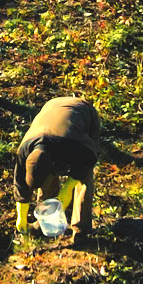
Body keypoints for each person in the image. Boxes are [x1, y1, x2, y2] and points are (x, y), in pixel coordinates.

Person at [14, 97, 100, 242]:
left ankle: (81, 230)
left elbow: (89, 159)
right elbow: (20, 184)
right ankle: (46, 222)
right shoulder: (24, 151)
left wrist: (67, 189)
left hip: (82, 113)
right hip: (51, 108)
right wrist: (21, 217)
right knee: (45, 176)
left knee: (84, 180)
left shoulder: (76, 144)